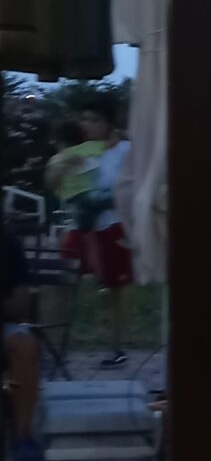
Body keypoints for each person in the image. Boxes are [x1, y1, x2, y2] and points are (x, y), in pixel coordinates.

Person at [64, 107, 132, 366]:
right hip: (85, 228)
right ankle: (70, 340)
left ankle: (117, 347)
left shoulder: (122, 149)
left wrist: (123, 134)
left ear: (107, 124)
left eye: (95, 119)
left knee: (116, 290)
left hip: (113, 225)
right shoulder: (78, 151)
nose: (88, 124)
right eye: (84, 118)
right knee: (74, 282)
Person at [3, 227, 42, 461]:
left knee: (25, 345)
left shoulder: (8, 242)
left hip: (5, 324)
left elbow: (20, 305)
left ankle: (22, 434)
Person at [45, 118, 101, 215]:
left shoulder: (60, 157)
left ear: (59, 140)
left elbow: (51, 182)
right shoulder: (94, 147)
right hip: (97, 193)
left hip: (74, 198)